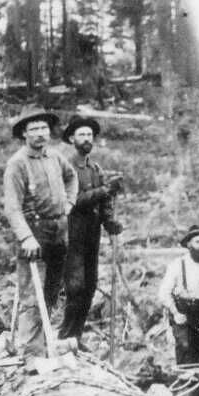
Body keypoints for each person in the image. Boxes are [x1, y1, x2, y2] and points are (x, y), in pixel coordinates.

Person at [2, 106, 78, 356]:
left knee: (52, 291)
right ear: (24, 134)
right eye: (33, 129)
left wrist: (70, 202)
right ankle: (32, 354)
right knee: (32, 295)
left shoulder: (55, 156)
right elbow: (12, 207)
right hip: (34, 233)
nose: (40, 133)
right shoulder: (17, 164)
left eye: (43, 128)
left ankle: (45, 342)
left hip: (58, 231)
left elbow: (72, 177)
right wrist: (26, 237)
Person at [58, 115, 123, 342]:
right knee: (76, 287)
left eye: (89, 135)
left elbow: (104, 202)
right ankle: (65, 337)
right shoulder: (66, 167)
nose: (87, 138)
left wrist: (109, 221)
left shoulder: (95, 168)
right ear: (71, 139)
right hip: (71, 233)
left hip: (91, 235)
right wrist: (105, 190)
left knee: (90, 287)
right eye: (82, 134)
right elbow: (73, 200)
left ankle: (75, 339)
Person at [158, 225, 199, 365]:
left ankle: (198, 377)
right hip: (182, 310)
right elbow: (164, 293)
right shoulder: (177, 264)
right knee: (185, 347)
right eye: (197, 242)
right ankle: (184, 376)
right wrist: (176, 313)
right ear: (189, 244)